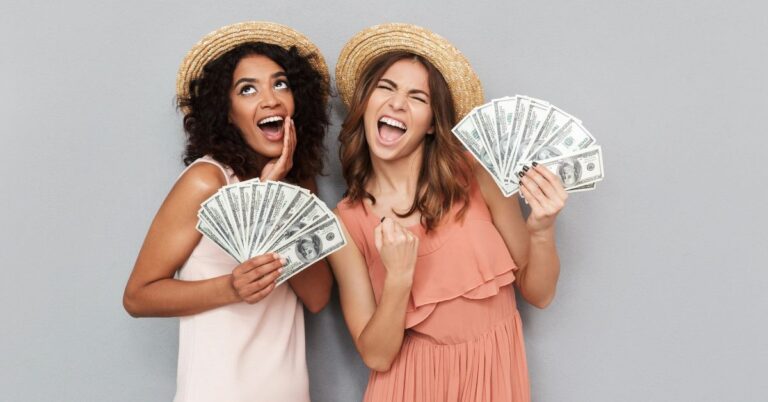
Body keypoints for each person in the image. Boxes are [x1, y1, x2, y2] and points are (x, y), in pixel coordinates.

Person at [328, 23, 568, 402]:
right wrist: (399, 278)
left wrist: (542, 229)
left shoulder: (476, 173)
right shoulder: (346, 221)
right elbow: (376, 355)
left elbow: (539, 294)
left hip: (493, 375)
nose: (397, 103)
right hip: (408, 385)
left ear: (431, 124)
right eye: (386, 88)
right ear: (365, 103)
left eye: (417, 97)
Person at [122, 21, 333, 402]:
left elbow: (317, 296)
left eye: (280, 84)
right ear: (227, 111)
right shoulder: (207, 181)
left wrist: (273, 196)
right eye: (247, 89)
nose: (270, 100)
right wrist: (231, 288)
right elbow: (138, 297)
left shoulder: (298, 186)